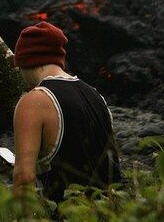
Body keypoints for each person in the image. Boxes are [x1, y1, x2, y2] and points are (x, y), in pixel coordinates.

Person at [12, 21, 122, 202]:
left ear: (31, 62)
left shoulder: (33, 101)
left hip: (68, 212)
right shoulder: (95, 96)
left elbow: (24, 178)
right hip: (111, 211)